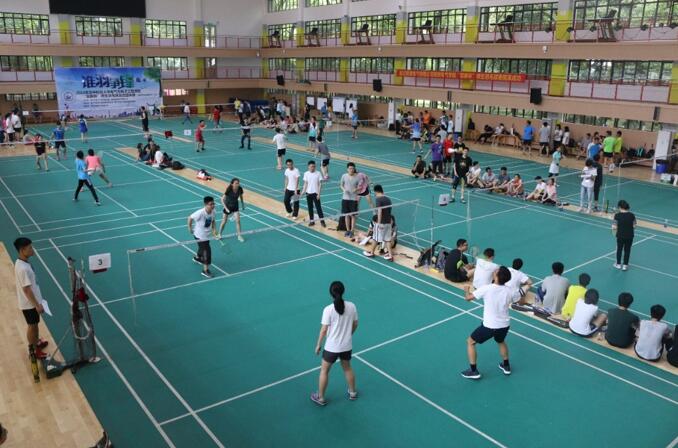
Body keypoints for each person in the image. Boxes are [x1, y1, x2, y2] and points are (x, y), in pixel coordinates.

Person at [462, 266, 518, 379]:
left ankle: (473, 371)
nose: (494, 271)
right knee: (500, 341)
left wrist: (466, 290)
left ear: (497, 276)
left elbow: (468, 298)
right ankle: (506, 366)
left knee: (470, 342)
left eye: (496, 271)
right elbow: (515, 299)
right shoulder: (510, 291)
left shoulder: (487, 288)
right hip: (504, 325)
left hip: (490, 326)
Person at [311, 281, 359, 406]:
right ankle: (353, 392)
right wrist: (348, 334)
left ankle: (321, 398)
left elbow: (323, 330)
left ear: (331, 293)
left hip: (331, 348)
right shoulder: (352, 306)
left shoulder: (328, 309)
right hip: (346, 346)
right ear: (343, 291)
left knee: (324, 371)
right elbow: (355, 324)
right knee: (347, 368)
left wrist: (318, 344)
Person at [14, 237, 49, 360]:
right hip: (29, 304)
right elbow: (27, 290)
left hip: (32, 302)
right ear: (22, 250)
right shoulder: (23, 268)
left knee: (35, 324)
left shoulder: (22, 262)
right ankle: (34, 351)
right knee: (32, 326)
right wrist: (37, 305)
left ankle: (36, 342)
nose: (32, 249)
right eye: (30, 248)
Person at [188, 196, 218, 278]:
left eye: (213, 204)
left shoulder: (213, 211)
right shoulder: (200, 213)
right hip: (199, 235)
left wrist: (214, 229)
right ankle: (205, 271)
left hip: (206, 235)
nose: (213, 205)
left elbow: (213, 220)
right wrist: (190, 228)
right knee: (207, 252)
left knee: (202, 248)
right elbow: (190, 218)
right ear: (205, 205)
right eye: (211, 204)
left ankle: (197, 258)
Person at [362, 185, 393, 260]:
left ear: (376, 191)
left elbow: (379, 211)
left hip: (381, 222)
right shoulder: (388, 199)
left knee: (375, 238)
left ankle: (371, 252)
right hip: (388, 222)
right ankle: (390, 255)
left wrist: (378, 223)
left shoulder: (378, 199)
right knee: (387, 240)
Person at [612, 199, 636, 271]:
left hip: (620, 236)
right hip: (630, 236)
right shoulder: (632, 215)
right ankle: (625, 265)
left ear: (620, 207)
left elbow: (614, 227)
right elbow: (634, 226)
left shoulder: (617, 215)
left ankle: (618, 264)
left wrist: (614, 229)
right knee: (627, 250)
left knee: (619, 249)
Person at [301, 160, 326, 228]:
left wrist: (319, 194)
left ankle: (322, 221)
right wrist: (303, 191)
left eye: (314, 166)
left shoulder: (318, 173)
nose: (313, 168)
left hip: (315, 193)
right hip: (308, 193)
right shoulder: (306, 173)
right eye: (311, 166)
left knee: (318, 208)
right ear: (308, 167)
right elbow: (305, 183)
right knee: (310, 208)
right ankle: (312, 221)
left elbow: (320, 184)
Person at [340, 162, 360, 239]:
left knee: (353, 215)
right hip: (345, 198)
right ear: (347, 169)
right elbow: (341, 185)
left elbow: (361, 187)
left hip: (353, 199)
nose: (351, 170)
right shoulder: (344, 176)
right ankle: (347, 230)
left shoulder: (357, 177)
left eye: (352, 168)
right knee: (346, 215)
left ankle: (352, 230)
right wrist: (344, 190)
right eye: (350, 168)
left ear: (354, 169)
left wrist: (356, 189)